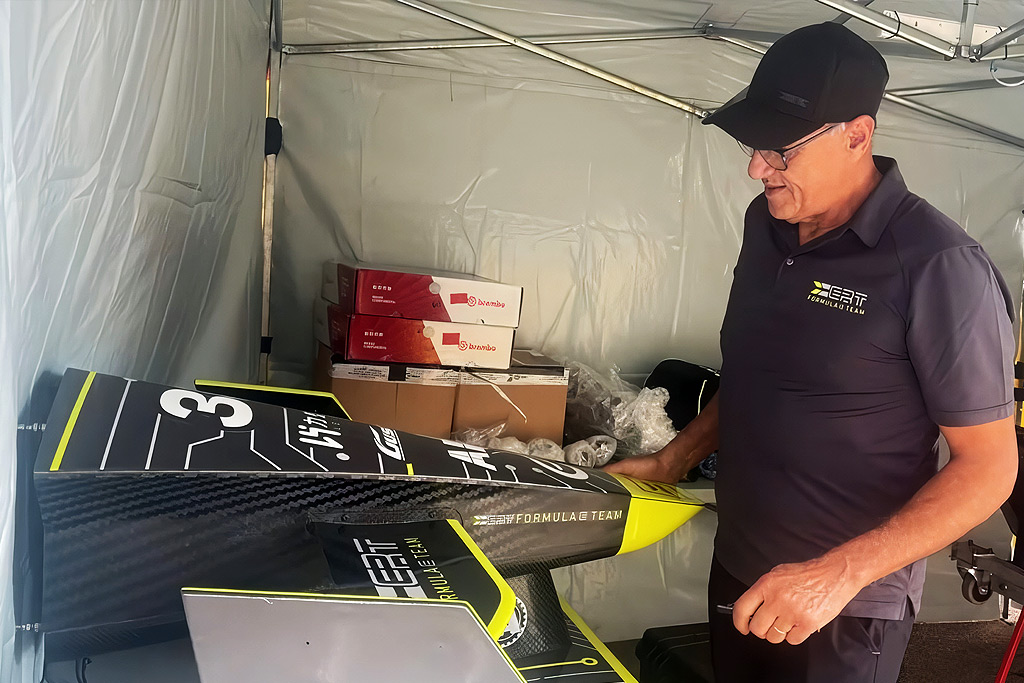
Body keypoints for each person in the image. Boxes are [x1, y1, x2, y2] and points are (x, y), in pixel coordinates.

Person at [606, 22, 1018, 683]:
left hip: (843, 605)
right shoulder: (765, 224)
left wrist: (837, 574)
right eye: (753, 145)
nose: (756, 167)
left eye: (779, 149)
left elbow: (990, 468)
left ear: (857, 136)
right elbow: (758, 375)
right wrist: (673, 458)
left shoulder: (938, 265)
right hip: (740, 568)